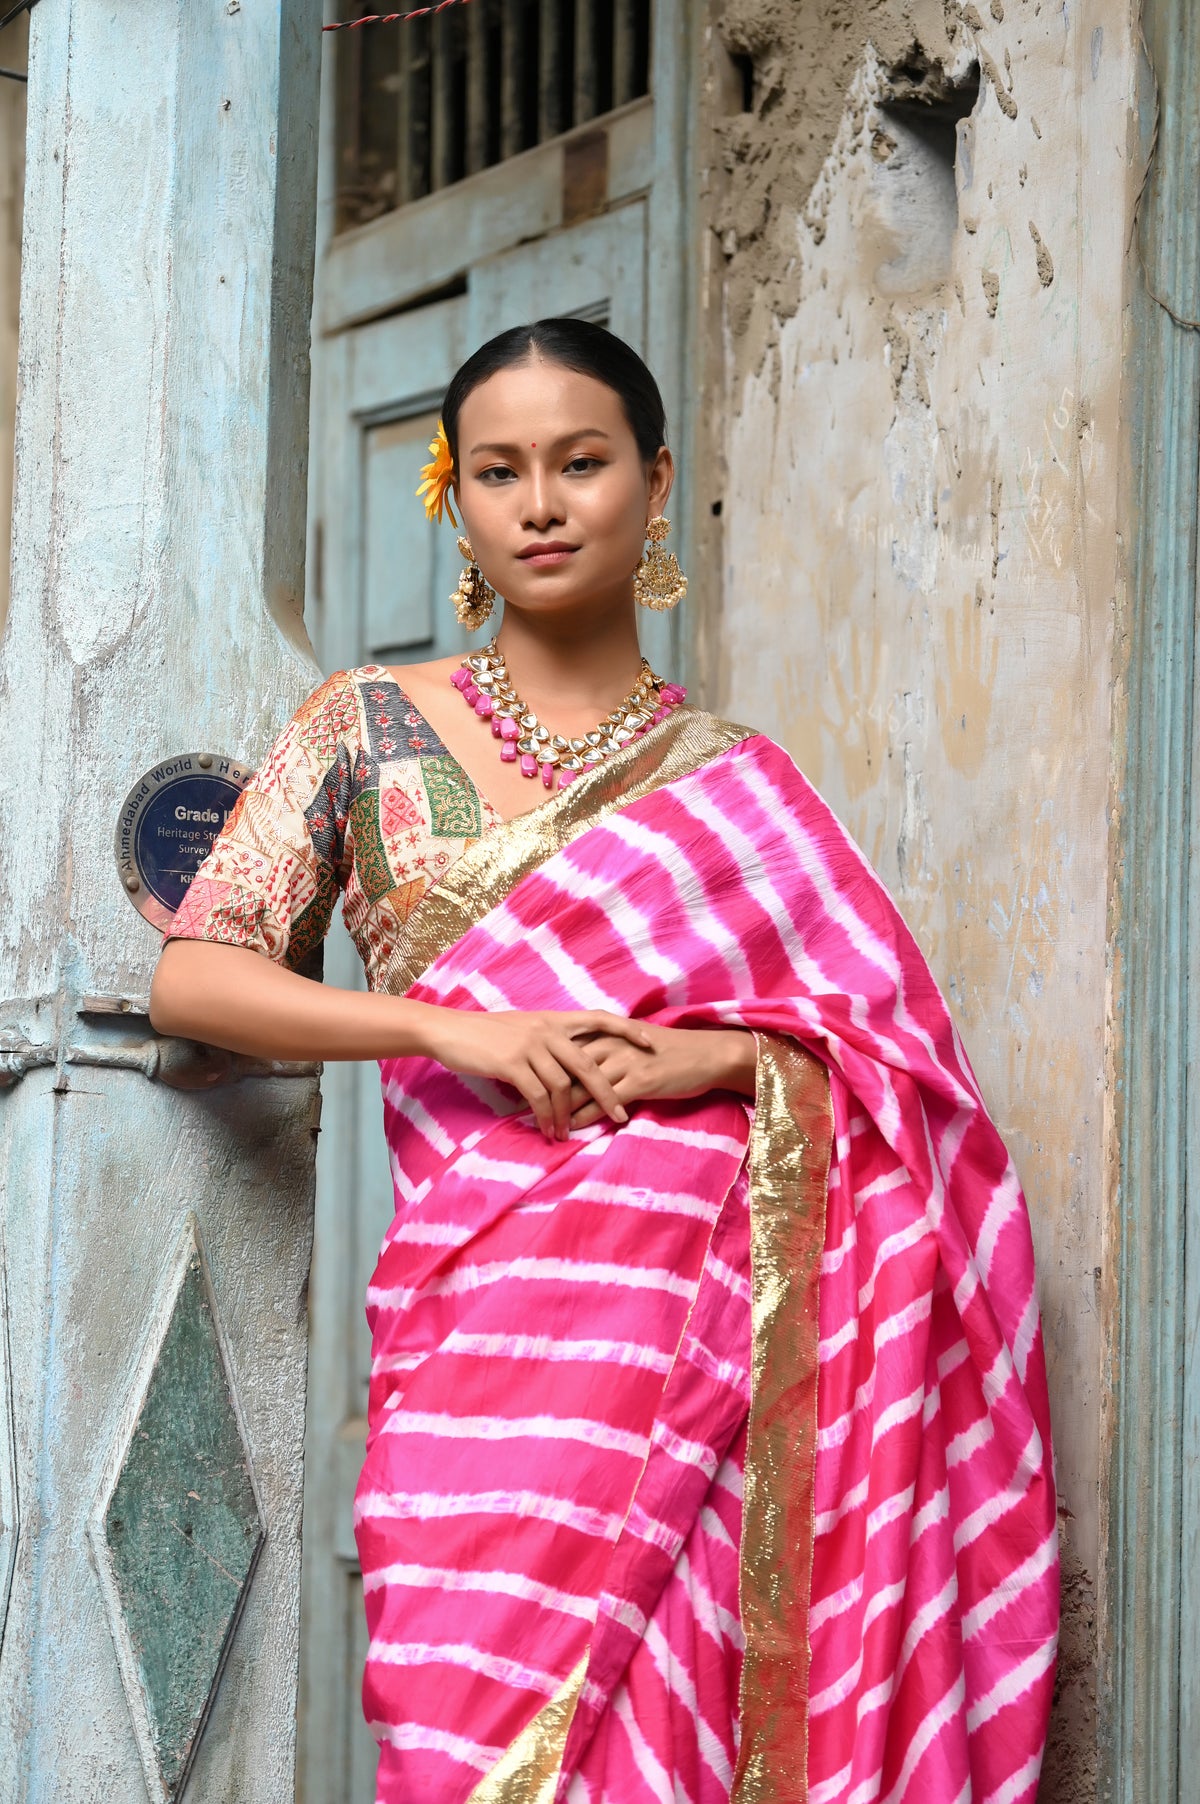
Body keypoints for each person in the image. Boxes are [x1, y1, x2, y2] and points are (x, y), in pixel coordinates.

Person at [149, 318, 1059, 1804]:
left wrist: (706, 1064)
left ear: (655, 480)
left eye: (582, 462)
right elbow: (199, 972)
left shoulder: (734, 782)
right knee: (464, 1747)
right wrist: (452, 1026)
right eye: (498, 471)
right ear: (457, 498)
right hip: (485, 1360)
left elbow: (896, 1075)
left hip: (714, 1353)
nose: (543, 503)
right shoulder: (368, 731)